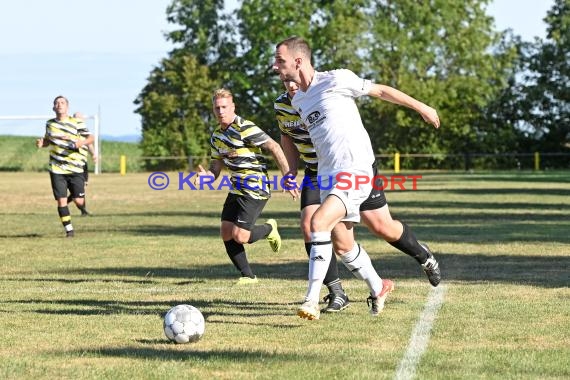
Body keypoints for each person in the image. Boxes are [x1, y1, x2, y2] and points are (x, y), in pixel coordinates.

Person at [273, 36, 441, 320]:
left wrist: (422, 107)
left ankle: (312, 299)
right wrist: (290, 173)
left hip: (356, 169)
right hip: (327, 175)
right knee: (342, 244)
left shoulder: (337, 80)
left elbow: (382, 92)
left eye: (280, 60)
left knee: (320, 222)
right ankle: (378, 286)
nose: (275, 66)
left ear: (298, 61)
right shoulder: (297, 100)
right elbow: (290, 137)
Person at [195, 88, 298, 284]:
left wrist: (288, 176)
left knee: (240, 236)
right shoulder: (216, 135)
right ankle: (248, 276)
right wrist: (206, 177)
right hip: (236, 188)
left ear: (233, 107)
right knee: (226, 232)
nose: (221, 111)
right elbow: (216, 167)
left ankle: (269, 228)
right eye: (217, 107)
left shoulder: (245, 127)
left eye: (224, 107)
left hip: (255, 188)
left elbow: (274, 146)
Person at [36, 96, 94, 237]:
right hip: (57, 168)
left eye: (62, 103)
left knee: (78, 200)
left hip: (76, 167)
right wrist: (41, 143)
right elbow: (48, 141)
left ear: (67, 107)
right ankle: (69, 231)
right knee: (61, 200)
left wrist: (80, 143)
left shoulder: (77, 122)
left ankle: (77, 201)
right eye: (57, 103)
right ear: (53, 108)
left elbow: (91, 138)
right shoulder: (50, 124)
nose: (59, 104)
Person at [66, 112, 97, 216]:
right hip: (72, 164)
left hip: (83, 164)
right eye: (78, 118)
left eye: (81, 119)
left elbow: (89, 144)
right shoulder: (70, 131)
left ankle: (67, 203)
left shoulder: (84, 131)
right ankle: (81, 210)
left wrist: (93, 154)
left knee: (82, 187)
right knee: (77, 188)